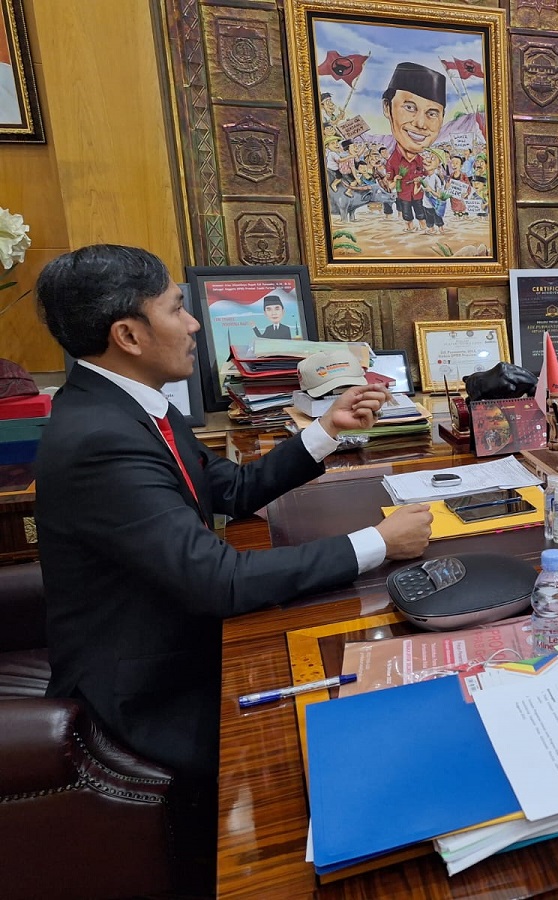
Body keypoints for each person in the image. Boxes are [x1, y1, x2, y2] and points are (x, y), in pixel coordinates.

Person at [33, 245, 433, 887]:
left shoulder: (127, 406)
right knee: (340, 733)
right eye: (175, 308)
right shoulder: (99, 441)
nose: (194, 325)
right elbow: (219, 580)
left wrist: (327, 429)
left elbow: (232, 490)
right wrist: (378, 543)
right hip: (146, 688)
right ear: (128, 335)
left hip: (175, 635)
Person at [381, 62, 445, 231]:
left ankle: (425, 228)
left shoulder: (425, 160)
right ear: (387, 107)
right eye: (409, 107)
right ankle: (409, 227)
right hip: (403, 195)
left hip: (420, 196)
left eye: (432, 113)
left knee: (422, 212)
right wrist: (395, 181)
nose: (420, 124)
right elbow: (389, 184)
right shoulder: (392, 161)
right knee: (407, 213)